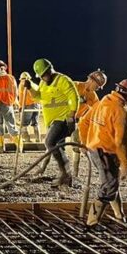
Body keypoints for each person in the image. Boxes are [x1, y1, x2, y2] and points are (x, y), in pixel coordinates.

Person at [83, 78, 127, 226]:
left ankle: (120, 216)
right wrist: (125, 164)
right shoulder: (121, 112)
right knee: (109, 186)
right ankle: (91, 224)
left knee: (112, 181)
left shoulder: (102, 102)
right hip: (104, 153)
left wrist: (84, 143)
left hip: (93, 149)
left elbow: (84, 121)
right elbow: (121, 143)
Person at [29, 58, 80, 188]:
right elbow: (38, 96)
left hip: (63, 120)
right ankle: (66, 180)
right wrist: (30, 87)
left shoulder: (62, 80)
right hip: (51, 121)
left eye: (45, 74)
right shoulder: (42, 83)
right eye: (42, 76)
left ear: (50, 70)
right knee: (58, 147)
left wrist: (72, 114)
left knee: (49, 142)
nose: (44, 77)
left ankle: (66, 173)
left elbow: (73, 96)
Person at [72, 69, 107, 173]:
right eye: (96, 86)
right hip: (66, 118)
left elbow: (98, 111)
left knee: (77, 144)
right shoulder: (75, 86)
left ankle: (75, 172)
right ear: (91, 80)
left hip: (79, 121)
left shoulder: (93, 96)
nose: (96, 89)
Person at [17, 72, 41, 142]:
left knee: (23, 124)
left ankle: (27, 139)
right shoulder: (33, 84)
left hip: (28, 105)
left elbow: (21, 97)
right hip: (37, 105)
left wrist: (20, 106)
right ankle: (38, 139)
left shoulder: (22, 84)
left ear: (21, 78)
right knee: (35, 123)